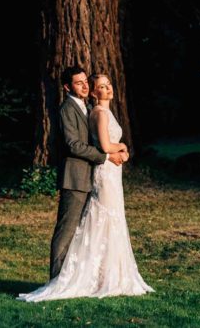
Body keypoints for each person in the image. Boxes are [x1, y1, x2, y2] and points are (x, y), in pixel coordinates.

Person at [18, 72, 153, 300]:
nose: (83, 86)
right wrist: (108, 156)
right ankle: (57, 280)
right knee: (67, 229)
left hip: (92, 176)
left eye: (84, 82)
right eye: (78, 83)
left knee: (89, 228)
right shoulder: (66, 109)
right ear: (67, 87)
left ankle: (89, 277)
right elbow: (73, 145)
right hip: (75, 177)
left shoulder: (89, 107)